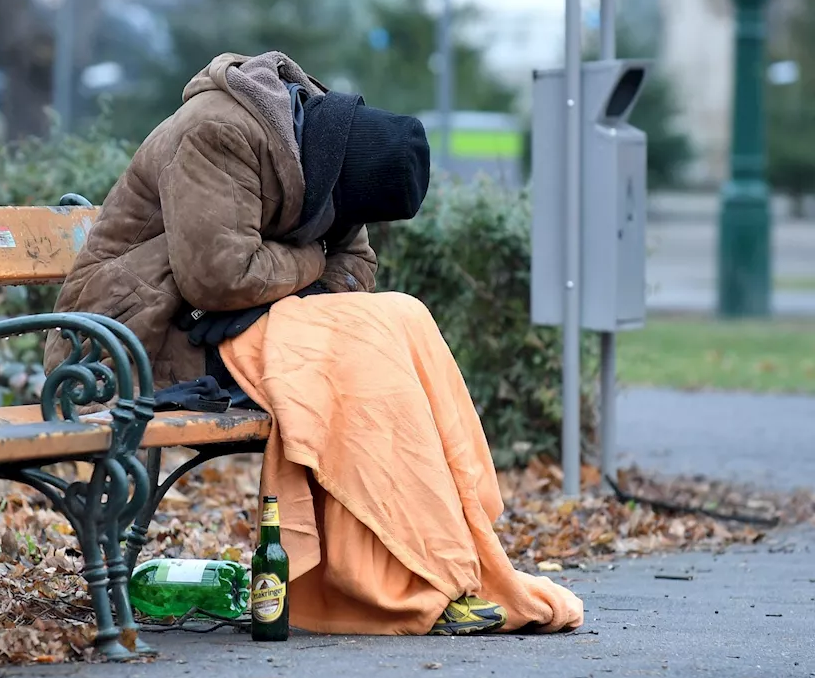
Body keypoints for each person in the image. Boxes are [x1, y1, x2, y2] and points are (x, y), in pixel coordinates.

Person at [47, 52, 584, 637]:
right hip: (129, 339)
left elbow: (355, 270)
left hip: (221, 324)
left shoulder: (322, 154)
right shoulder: (219, 132)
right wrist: (312, 260)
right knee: (354, 348)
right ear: (336, 161)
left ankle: (448, 557)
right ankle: (397, 574)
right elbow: (220, 276)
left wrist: (303, 271)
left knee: (400, 318)